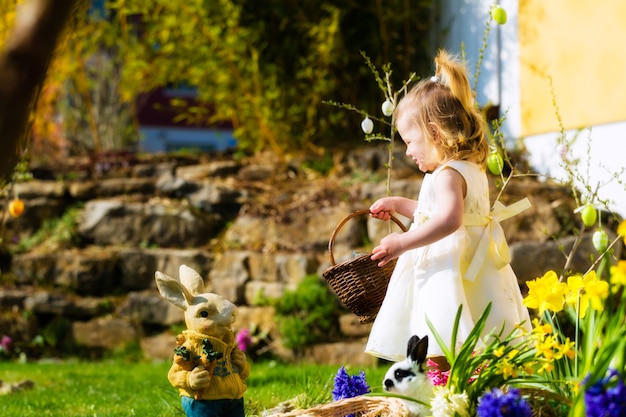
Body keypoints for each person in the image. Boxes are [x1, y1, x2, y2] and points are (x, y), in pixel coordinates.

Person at [364, 50, 532, 366]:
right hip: (478, 268)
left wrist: (402, 243)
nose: (409, 151)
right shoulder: (469, 168)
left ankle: (447, 392)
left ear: (434, 133)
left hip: (450, 268)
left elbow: (450, 219)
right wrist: (399, 205)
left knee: (443, 333)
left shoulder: (446, 174)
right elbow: (437, 214)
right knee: (487, 326)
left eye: (410, 142)